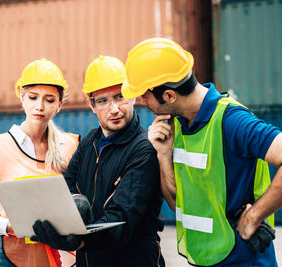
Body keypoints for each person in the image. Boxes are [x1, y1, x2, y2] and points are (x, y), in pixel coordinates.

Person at [121, 37, 282, 266]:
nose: (140, 101)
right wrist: (164, 155)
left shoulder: (232, 121)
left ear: (169, 95)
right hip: (206, 258)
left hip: (244, 261)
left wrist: (255, 215)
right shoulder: (176, 125)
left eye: (144, 95)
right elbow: (180, 202)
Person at [31, 55, 165, 266]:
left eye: (119, 97)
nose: (113, 109)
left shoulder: (143, 151)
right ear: (91, 105)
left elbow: (121, 219)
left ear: (132, 97)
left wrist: (79, 241)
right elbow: (66, 187)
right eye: (102, 101)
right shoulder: (89, 142)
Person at [0, 58, 79, 267]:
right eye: (33, 97)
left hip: (56, 253)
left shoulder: (71, 146)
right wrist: (10, 225)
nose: (40, 106)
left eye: (49, 100)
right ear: (21, 98)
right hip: (4, 254)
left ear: (60, 105)